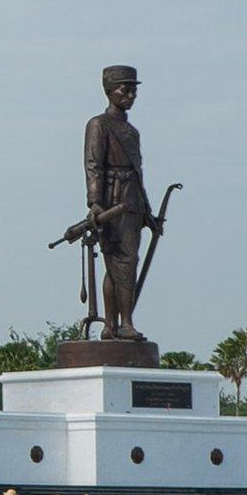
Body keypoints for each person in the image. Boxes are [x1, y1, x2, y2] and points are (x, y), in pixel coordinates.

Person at [82, 65, 161, 341]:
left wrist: (147, 211)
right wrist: (95, 203)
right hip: (113, 203)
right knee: (121, 262)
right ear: (108, 91)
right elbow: (93, 166)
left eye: (134, 90)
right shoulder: (99, 124)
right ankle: (122, 324)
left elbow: (138, 174)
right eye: (124, 89)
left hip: (132, 202)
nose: (130, 94)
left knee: (123, 263)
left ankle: (112, 326)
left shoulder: (131, 130)